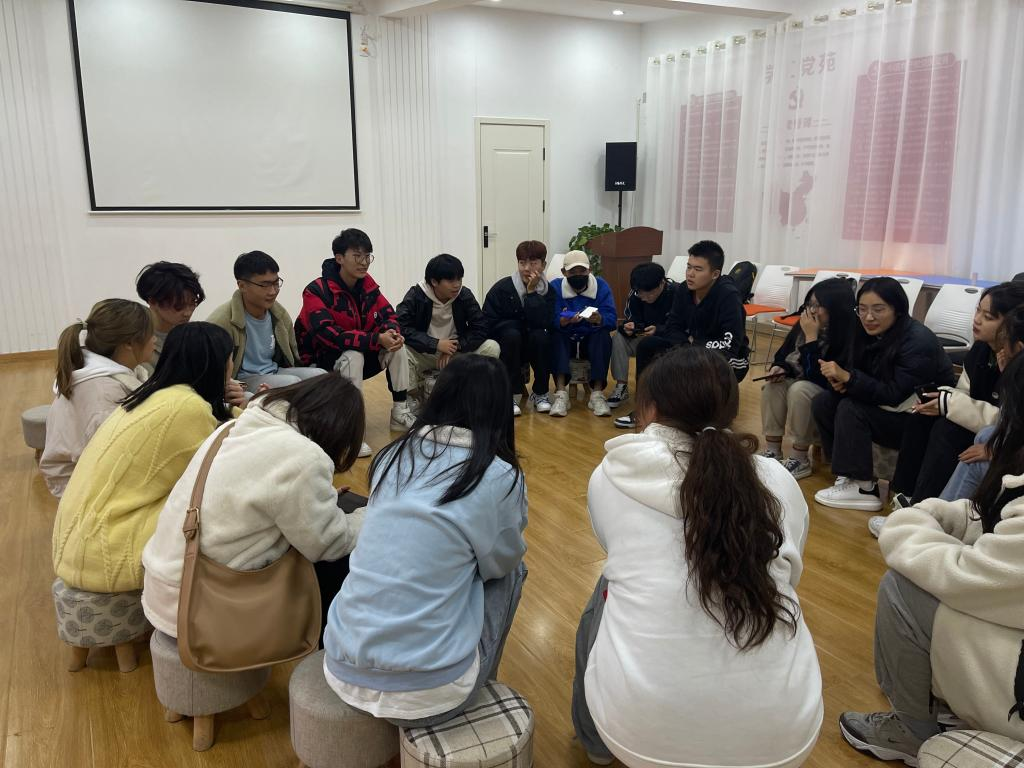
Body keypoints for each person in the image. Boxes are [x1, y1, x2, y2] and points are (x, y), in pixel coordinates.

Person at [573, 346, 822, 768]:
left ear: (650, 409)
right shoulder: (777, 478)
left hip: (636, 733)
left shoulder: (615, 473)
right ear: (730, 408)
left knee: (607, 586)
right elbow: (789, 569)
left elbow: (612, 547)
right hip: (785, 739)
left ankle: (595, 745)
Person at [323, 355, 527, 726]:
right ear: (500, 411)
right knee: (513, 569)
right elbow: (502, 563)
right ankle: (483, 682)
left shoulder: (391, 456)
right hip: (431, 693)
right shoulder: (498, 475)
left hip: (340, 665)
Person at [839, 352, 1024, 764]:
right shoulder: (976, 356)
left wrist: (908, 524)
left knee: (903, 587)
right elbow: (993, 520)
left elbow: (971, 575)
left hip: (1017, 685)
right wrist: (939, 514)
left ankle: (910, 729)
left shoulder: (915, 344)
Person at [141, 372, 365, 643]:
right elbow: (329, 543)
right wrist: (369, 516)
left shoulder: (235, 428)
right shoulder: (303, 456)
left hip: (166, 580)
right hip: (201, 604)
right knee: (347, 557)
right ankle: (326, 647)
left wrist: (315, 497)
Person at [52, 322, 234, 594]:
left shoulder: (157, 393)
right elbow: (222, 465)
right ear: (218, 364)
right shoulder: (188, 408)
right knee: (228, 501)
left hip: (76, 541)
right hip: (104, 553)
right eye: (231, 358)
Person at [811, 277, 955, 512]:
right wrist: (842, 383)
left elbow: (894, 394)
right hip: (889, 406)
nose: (868, 317)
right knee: (825, 402)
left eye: (878, 309)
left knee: (851, 409)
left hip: (916, 417)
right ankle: (848, 475)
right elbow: (857, 370)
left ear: (897, 309)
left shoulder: (918, 340)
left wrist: (850, 379)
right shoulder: (863, 332)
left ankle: (863, 488)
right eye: (862, 309)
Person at [888, 281, 1024, 505]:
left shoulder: (1016, 362)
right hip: (987, 427)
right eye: (978, 310)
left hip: (1002, 433)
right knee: (922, 416)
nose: (977, 319)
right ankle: (905, 497)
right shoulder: (980, 350)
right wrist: (941, 400)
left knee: (949, 430)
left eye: (988, 317)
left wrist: (950, 404)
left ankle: (924, 507)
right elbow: (964, 392)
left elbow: (1009, 419)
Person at [295, 228, 415, 456]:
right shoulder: (316, 290)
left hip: (357, 352)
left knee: (397, 348)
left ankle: (400, 412)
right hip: (324, 361)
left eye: (367, 256)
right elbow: (329, 335)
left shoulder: (368, 286)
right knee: (353, 355)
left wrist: (392, 333)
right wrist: (376, 339)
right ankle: (350, 429)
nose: (364, 262)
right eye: (357, 256)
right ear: (339, 258)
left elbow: (389, 314)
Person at [615, 240, 749, 429]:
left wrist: (695, 344)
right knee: (648, 345)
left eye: (698, 269)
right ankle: (645, 408)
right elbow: (673, 328)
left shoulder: (728, 296)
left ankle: (707, 419)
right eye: (689, 267)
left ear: (715, 274)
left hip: (728, 358)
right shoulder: (685, 290)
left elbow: (730, 344)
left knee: (698, 367)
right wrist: (688, 344)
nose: (690, 273)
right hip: (691, 348)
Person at [41, 300, 154, 498]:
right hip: (87, 493)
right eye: (150, 334)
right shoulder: (104, 396)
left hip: (94, 481)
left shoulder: (114, 374)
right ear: (128, 344)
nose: (154, 340)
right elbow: (114, 461)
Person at [760, 278, 858, 479]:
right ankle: (773, 450)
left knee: (800, 389)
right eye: (809, 304)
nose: (811, 310)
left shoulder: (848, 334)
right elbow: (783, 355)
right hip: (802, 381)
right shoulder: (805, 324)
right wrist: (780, 367)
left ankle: (800, 457)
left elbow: (819, 377)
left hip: (827, 392)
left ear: (836, 308)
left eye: (818, 305)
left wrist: (811, 339)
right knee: (773, 386)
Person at [206, 250, 325, 392]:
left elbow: (291, 357)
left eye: (276, 283)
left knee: (320, 376)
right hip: (241, 380)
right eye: (265, 285)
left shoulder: (279, 315)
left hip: (273, 371)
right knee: (291, 383)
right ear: (242, 286)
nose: (273, 291)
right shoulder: (222, 321)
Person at [396, 253, 499, 407]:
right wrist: (436, 344)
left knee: (491, 347)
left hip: (455, 353)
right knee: (399, 350)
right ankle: (413, 399)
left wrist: (456, 346)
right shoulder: (417, 295)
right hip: (425, 353)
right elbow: (401, 327)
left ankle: (475, 395)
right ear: (434, 282)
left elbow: (481, 327)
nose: (457, 285)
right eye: (451, 280)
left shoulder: (464, 295)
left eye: (459, 279)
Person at [482, 240, 556, 415]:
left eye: (533, 263)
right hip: (508, 344)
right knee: (512, 335)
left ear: (543, 265)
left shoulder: (548, 291)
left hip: (533, 344)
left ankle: (540, 393)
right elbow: (488, 322)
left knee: (542, 336)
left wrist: (531, 293)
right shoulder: (502, 288)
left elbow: (544, 322)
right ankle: (511, 394)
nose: (527, 268)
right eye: (522, 263)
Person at [548, 250, 617, 418]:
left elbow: (612, 318)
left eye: (582, 271)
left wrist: (600, 319)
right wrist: (562, 321)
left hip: (590, 338)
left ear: (589, 270)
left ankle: (597, 394)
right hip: (567, 338)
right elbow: (548, 318)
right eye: (573, 272)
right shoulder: (555, 287)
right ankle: (561, 393)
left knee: (603, 336)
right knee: (556, 335)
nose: (578, 275)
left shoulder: (601, 286)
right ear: (564, 272)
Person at [607, 262, 676, 409]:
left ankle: (656, 391)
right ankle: (621, 386)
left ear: (662, 283)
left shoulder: (676, 293)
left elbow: (680, 326)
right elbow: (632, 318)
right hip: (643, 337)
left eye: (649, 293)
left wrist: (658, 330)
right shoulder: (635, 294)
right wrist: (629, 327)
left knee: (649, 344)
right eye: (640, 293)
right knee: (618, 337)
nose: (644, 297)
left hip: (667, 340)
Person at [135, 261, 205, 375]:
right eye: (178, 306)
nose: (187, 313)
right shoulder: (137, 342)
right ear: (153, 301)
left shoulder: (192, 336)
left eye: (193, 303)